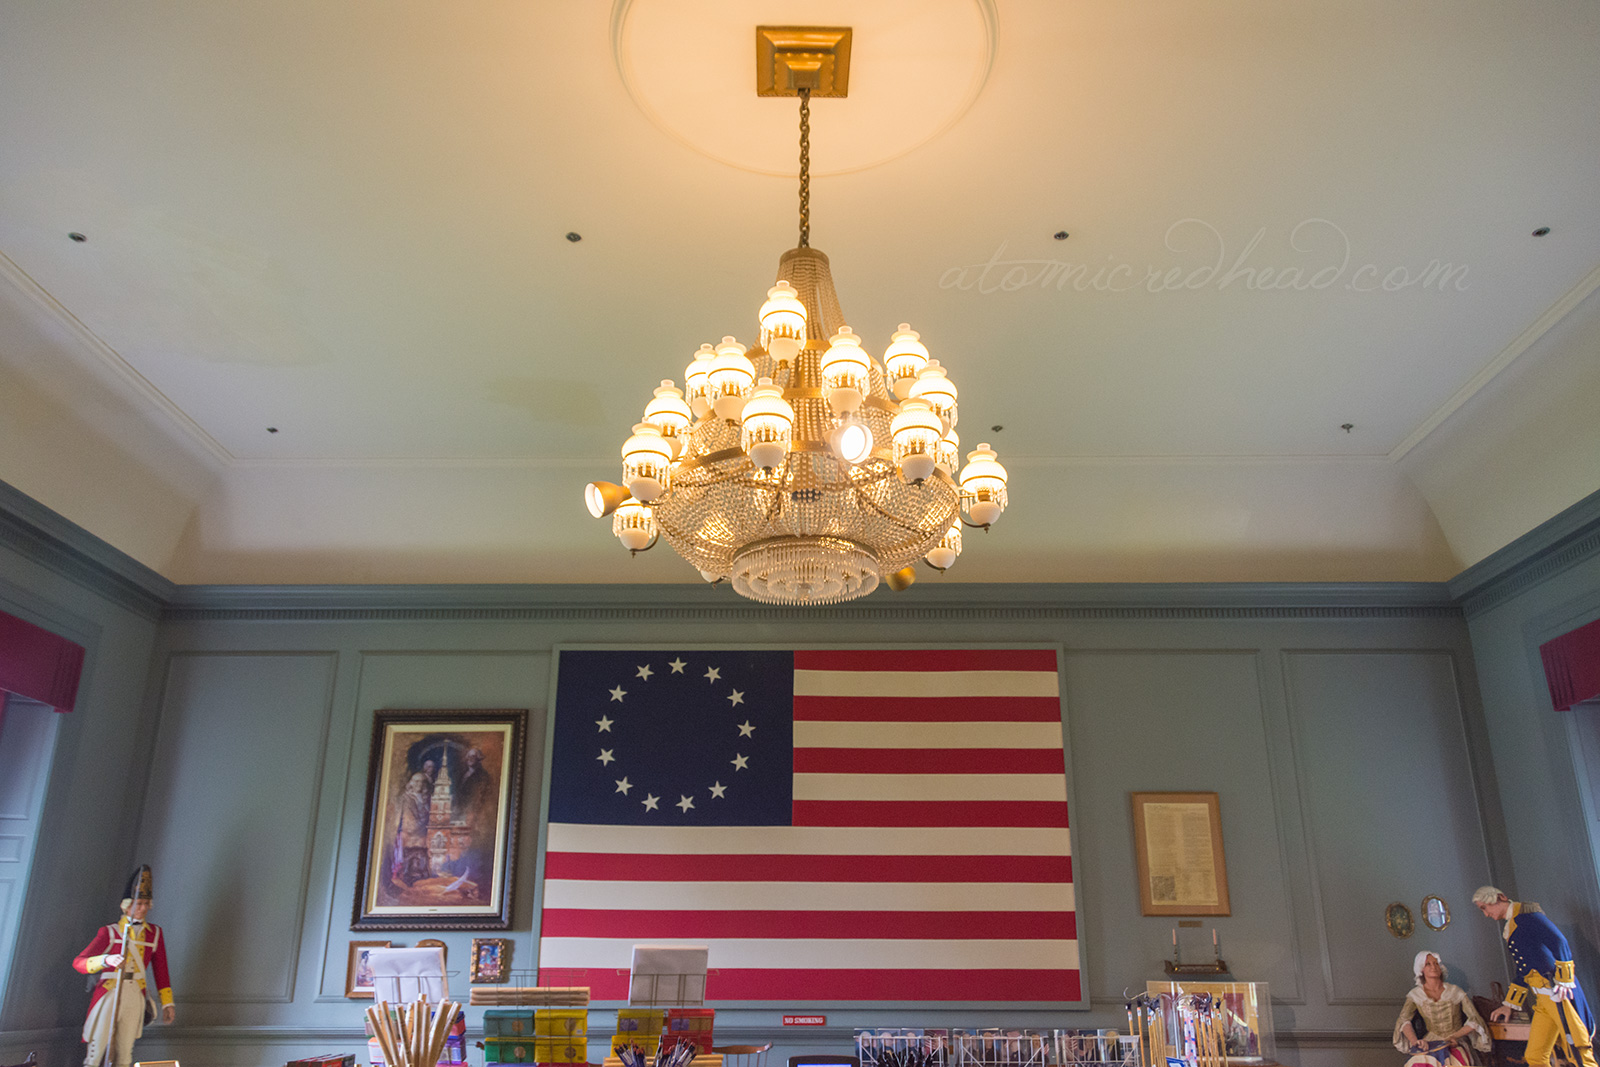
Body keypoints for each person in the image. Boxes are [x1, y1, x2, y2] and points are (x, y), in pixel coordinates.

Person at [1475, 885, 1599, 1067]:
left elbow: (1559, 941)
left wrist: (1564, 980)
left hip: (1556, 993)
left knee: (1578, 1050)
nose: (1486, 914)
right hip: (1542, 998)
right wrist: (1509, 1005)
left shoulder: (1527, 916)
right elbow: (1524, 969)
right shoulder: (1514, 923)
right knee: (1535, 1055)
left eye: (1484, 907)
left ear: (1500, 897)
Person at [72, 865, 174, 1067]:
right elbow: (79, 963)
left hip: (135, 994)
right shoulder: (108, 932)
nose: (143, 908)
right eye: (138, 904)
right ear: (127, 906)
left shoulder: (155, 934)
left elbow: (161, 970)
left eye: (146, 903)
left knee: (125, 1054)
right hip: (110, 991)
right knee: (96, 1051)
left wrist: (168, 1003)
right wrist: (105, 960)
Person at [1393, 950, 1491, 1066]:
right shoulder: (1415, 995)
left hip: (1456, 1041)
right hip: (1430, 1041)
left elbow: (1474, 1019)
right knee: (1420, 1062)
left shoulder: (1455, 991)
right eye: (1428, 964)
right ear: (1421, 969)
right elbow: (1404, 1021)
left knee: (1455, 1061)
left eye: (1436, 963)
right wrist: (1416, 1042)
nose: (1433, 967)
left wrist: (1455, 1037)